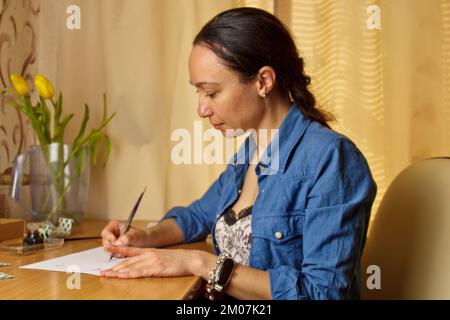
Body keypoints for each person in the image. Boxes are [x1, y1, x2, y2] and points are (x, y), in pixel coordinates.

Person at [100, 7, 377, 300]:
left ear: (263, 82)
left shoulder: (331, 160)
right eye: (198, 92)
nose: (202, 109)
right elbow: (196, 217)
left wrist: (201, 263)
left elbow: (323, 293)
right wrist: (145, 237)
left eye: (212, 92)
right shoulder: (251, 151)